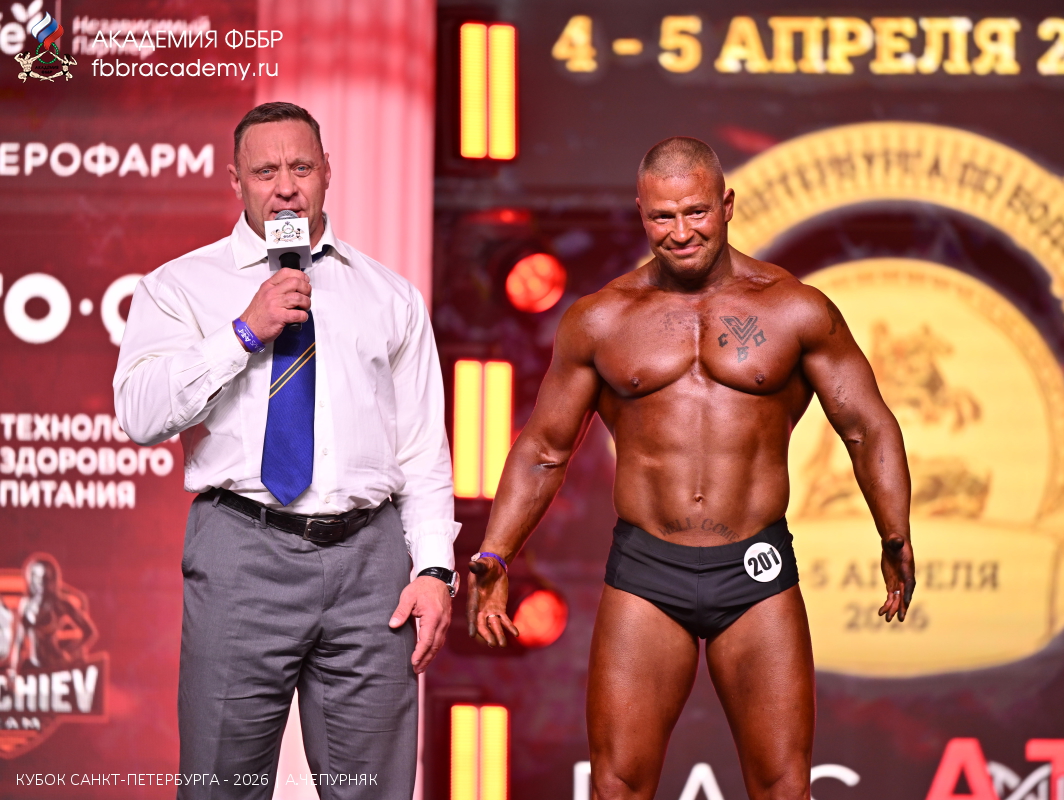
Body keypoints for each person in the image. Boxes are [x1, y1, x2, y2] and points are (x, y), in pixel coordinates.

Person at [467, 137, 916, 800]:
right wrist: (496, 552)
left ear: (726, 205)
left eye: (696, 212)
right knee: (617, 785)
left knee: (784, 787)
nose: (680, 233)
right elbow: (544, 449)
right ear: (641, 213)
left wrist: (894, 532)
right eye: (663, 217)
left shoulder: (794, 308)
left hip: (756, 568)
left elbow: (866, 425)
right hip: (647, 570)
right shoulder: (601, 319)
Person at [114, 102, 460, 799]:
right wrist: (243, 331)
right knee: (221, 785)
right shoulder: (180, 286)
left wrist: (433, 569)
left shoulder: (390, 295)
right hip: (243, 549)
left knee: (373, 789)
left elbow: (423, 450)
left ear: (328, 172)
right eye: (265, 171)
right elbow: (140, 415)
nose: (285, 187)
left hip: (371, 565)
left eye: (301, 167)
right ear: (236, 181)